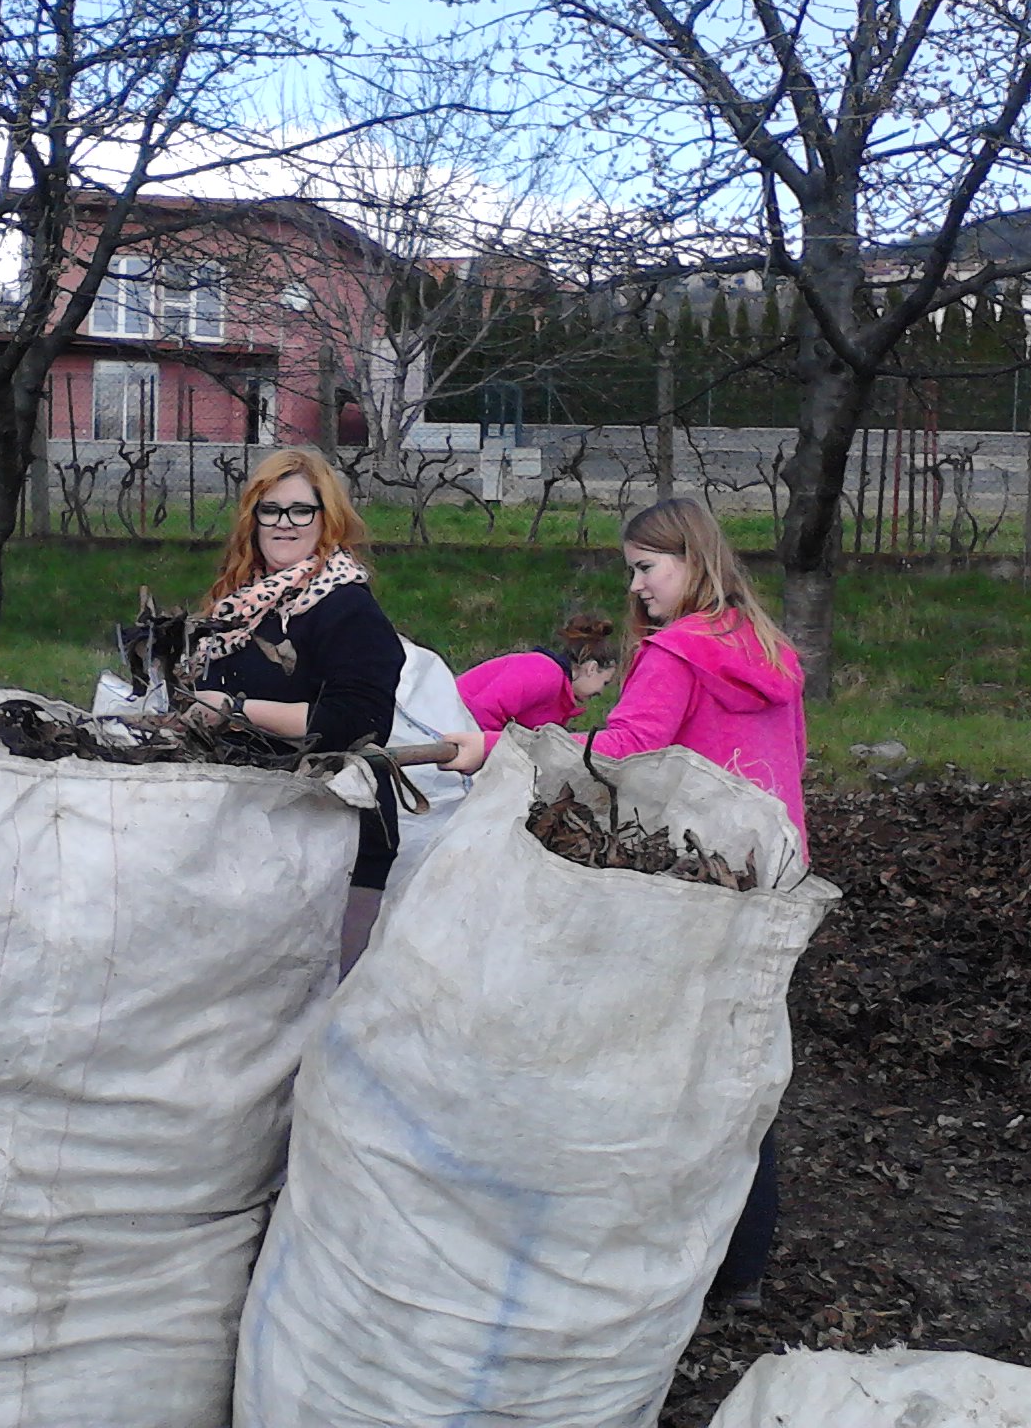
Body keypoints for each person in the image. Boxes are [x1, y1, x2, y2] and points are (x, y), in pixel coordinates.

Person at [440, 497, 808, 1314]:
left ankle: (650, 1253)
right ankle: (742, 1266)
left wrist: (499, 751)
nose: (636, 587)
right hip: (766, 879)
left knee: (658, 1069)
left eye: (647, 568)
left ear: (693, 561)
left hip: (686, 890)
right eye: (632, 570)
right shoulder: (767, 650)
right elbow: (789, 765)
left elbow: (621, 757)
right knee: (739, 1068)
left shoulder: (677, 652)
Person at [185, 447, 404, 976]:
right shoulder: (243, 606)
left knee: (318, 993)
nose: (285, 523)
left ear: (327, 519)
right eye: (271, 509)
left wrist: (237, 710)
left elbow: (355, 721)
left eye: (301, 510)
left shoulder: (346, 606)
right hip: (252, 825)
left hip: (333, 835)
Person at [455, 611, 618, 732]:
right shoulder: (545, 673)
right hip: (450, 724)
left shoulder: (559, 694)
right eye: (604, 682)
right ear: (591, 669)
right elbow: (483, 709)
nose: (601, 691)